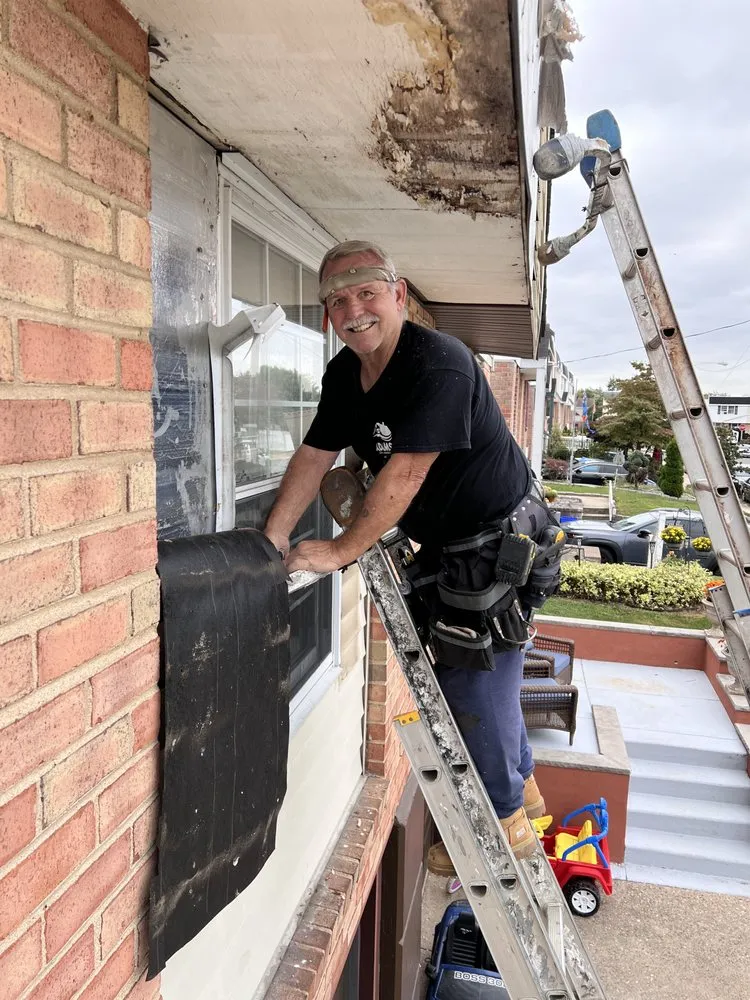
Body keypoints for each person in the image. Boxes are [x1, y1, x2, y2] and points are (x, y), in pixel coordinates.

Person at [264, 240, 562, 866]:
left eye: (367, 293)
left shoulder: (441, 365)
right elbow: (316, 454)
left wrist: (339, 551)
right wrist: (273, 537)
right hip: (457, 546)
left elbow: (403, 476)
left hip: (497, 545)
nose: (354, 311)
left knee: (472, 680)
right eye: (338, 301)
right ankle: (525, 796)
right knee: (487, 678)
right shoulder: (347, 374)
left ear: (398, 296)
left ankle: (501, 829)